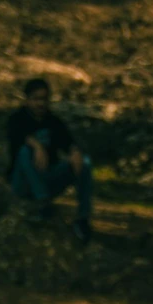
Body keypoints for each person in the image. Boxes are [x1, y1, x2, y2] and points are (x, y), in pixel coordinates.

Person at [7, 77, 93, 245]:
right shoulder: (16, 119)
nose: (40, 104)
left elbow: (68, 142)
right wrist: (36, 146)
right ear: (27, 100)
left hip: (46, 178)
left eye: (44, 99)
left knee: (85, 162)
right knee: (25, 152)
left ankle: (83, 218)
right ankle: (42, 201)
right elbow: (16, 138)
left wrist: (74, 151)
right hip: (22, 183)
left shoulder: (53, 122)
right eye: (36, 99)